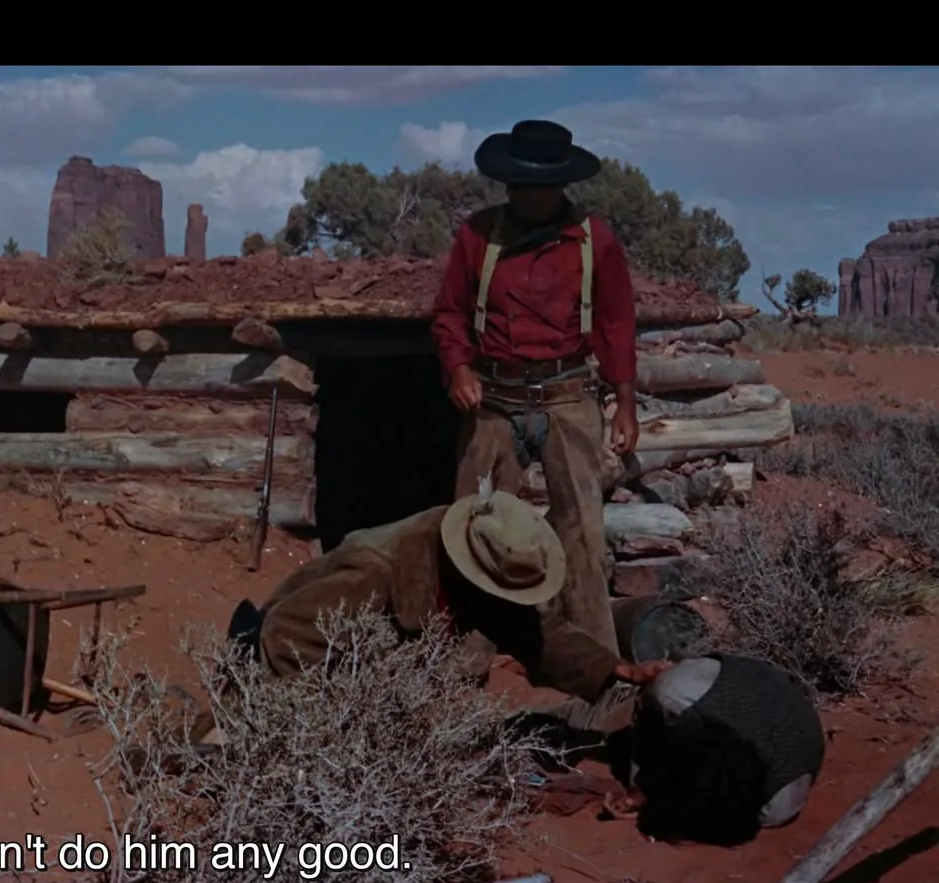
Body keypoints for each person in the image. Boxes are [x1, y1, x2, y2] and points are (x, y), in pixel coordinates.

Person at [429, 119, 639, 679]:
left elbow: (617, 321)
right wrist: (458, 368)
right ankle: (464, 659)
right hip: (493, 397)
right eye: (522, 184)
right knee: (474, 521)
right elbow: (449, 311)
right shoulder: (478, 235)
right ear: (509, 184)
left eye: (543, 185)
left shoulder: (595, 240)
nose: (533, 195)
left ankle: (596, 668)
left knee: (582, 529)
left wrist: (624, 401)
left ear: (562, 184)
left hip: (568, 393)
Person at [222, 480, 667, 731]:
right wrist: (338, 726)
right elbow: (286, 633)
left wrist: (616, 669)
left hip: (366, 695)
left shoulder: (474, 561)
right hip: (279, 690)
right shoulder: (376, 572)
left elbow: (534, 632)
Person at [608, 653, 826, 846]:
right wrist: (638, 787)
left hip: (791, 736)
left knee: (768, 811)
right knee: (664, 692)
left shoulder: (776, 803)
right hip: (730, 685)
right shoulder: (673, 693)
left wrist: (664, 811)